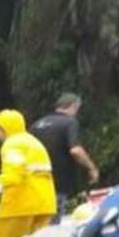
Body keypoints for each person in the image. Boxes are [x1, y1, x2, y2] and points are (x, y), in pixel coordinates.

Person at [0, 109, 57, 237]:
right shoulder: (33, 141)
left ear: (7, 128)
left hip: (21, 204)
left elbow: (14, 172)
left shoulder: (12, 144)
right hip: (45, 203)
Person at [29, 93, 100, 222]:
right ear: (72, 106)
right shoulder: (69, 122)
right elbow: (75, 150)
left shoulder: (36, 124)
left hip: (34, 181)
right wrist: (92, 168)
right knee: (52, 222)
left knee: (36, 222)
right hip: (57, 181)